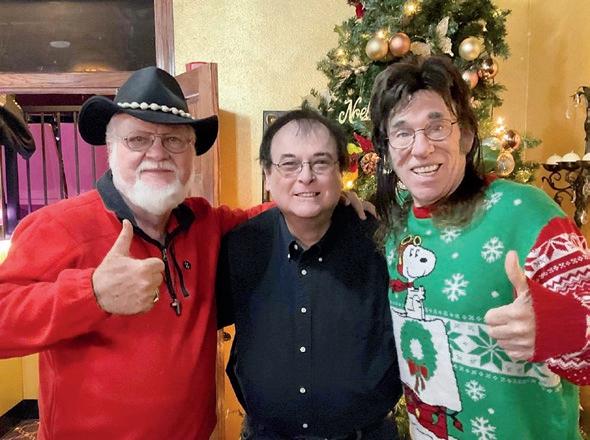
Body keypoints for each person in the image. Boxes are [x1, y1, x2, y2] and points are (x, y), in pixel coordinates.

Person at [0, 66, 269, 440]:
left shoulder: (205, 221)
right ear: (110, 150)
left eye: (174, 140)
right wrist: (91, 294)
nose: (157, 153)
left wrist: (329, 199)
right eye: (137, 139)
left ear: (192, 154)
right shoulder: (58, 226)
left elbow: (271, 218)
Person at [369, 55, 590, 440]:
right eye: (402, 133)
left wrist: (559, 326)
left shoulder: (524, 212)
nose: (420, 148)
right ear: (387, 151)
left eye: (437, 127)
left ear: (467, 136)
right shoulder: (394, 226)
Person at [216, 108, 402, 440]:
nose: (305, 177)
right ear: (267, 174)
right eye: (289, 164)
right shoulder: (240, 246)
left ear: (340, 171)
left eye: (321, 163)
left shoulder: (382, 243)